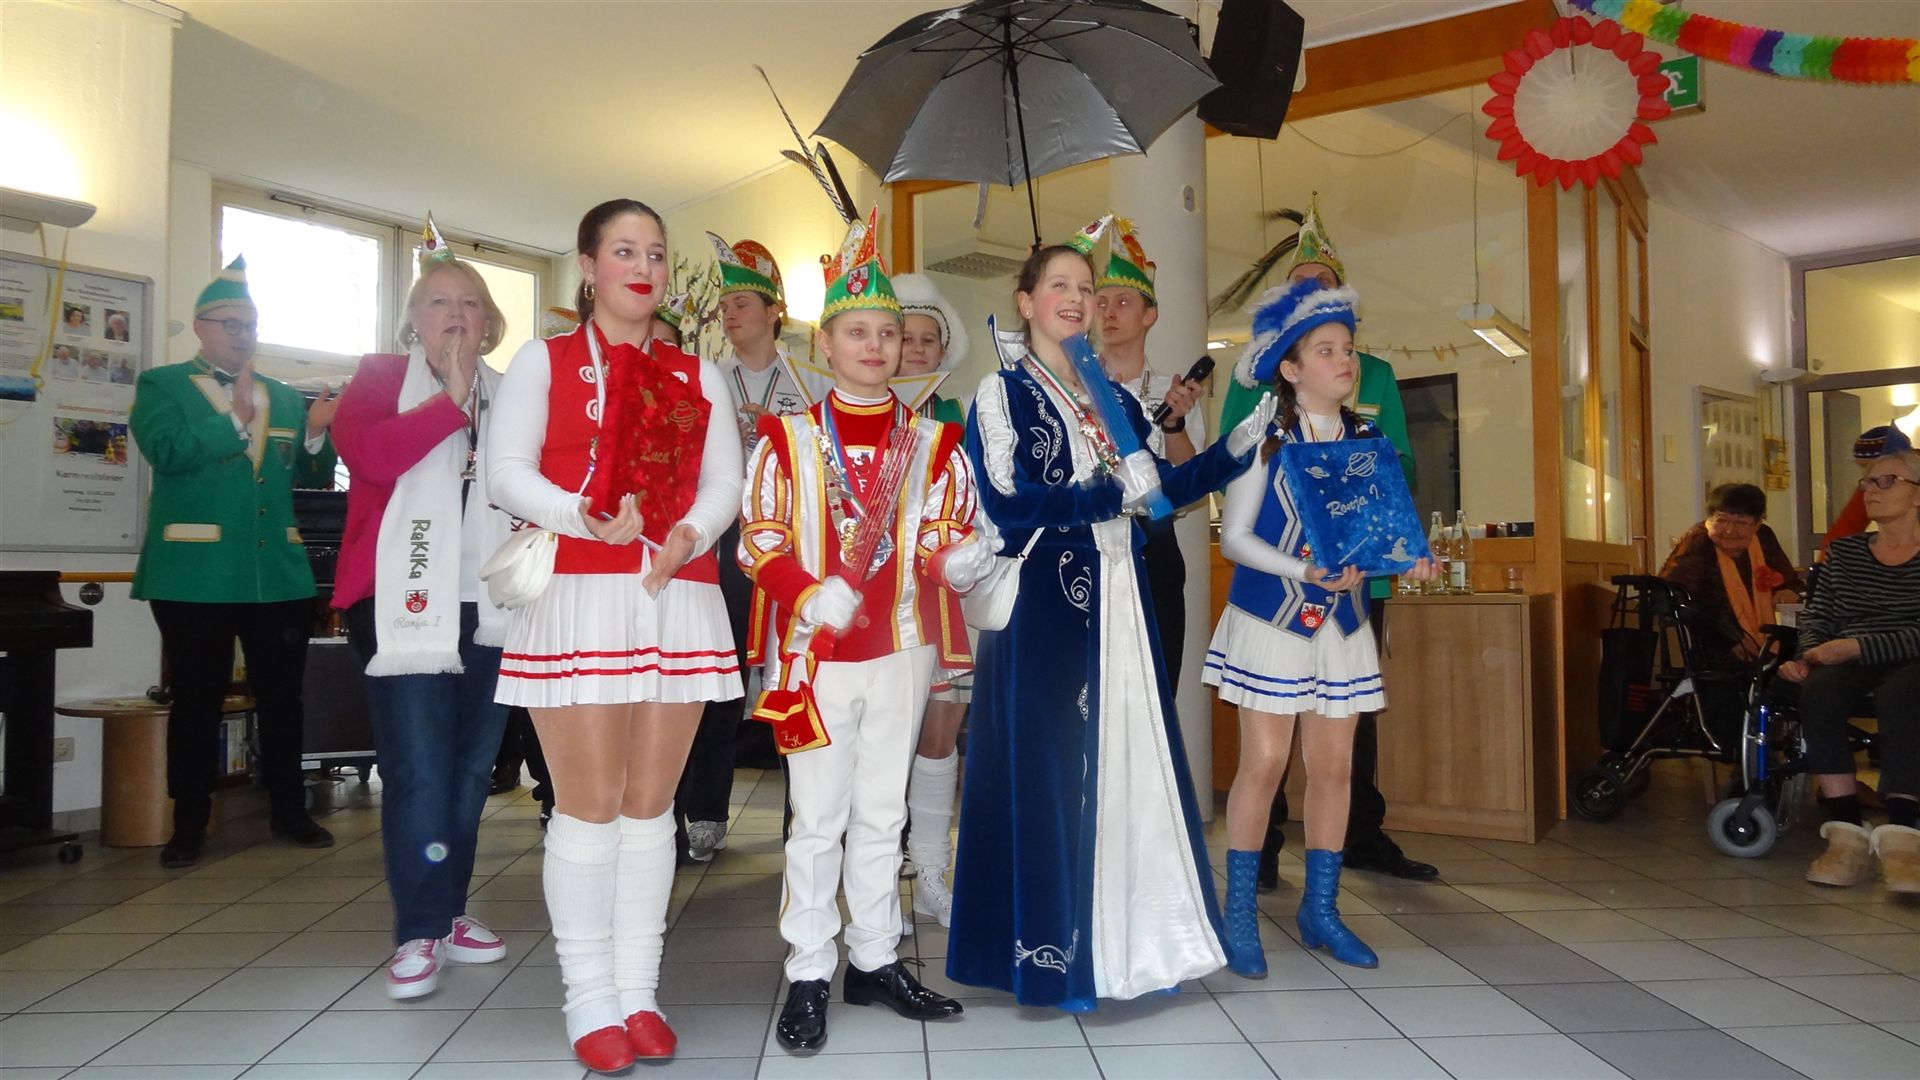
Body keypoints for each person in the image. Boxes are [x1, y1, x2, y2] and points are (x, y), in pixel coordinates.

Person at [945, 222, 1276, 1010]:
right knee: (1053, 773)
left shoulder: (1117, 397)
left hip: (1121, 596)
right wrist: (1102, 494)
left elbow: (1158, 495)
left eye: (1086, 289)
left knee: (1126, 761)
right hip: (1044, 606)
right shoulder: (1003, 393)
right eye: (1058, 285)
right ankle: (1053, 957)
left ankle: (1132, 945)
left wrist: (1230, 452)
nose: (1076, 298)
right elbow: (1006, 502)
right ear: (1026, 302)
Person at [487, 199, 743, 1071]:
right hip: (580, 592)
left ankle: (638, 990)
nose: (643, 267)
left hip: (676, 594)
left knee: (651, 808)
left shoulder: (697, 374)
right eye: (624, 251)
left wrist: (690, 535)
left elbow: (724, 482)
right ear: (590, 267)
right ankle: (589, 997)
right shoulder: (545, 359)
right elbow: (505, 472)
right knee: (590, 807)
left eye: (656, 253)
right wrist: (582, 515)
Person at [742, 230, 985, 1052]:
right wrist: (809, 592)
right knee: (817, 819)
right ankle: (810, 968)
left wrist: (957, 558)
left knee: (883, 813)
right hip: (816, 653)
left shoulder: (935, 443)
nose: (876, 346)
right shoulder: (786, 439)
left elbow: (942, 533)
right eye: (858, 331)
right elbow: (760, 539)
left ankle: (875, 959)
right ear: (826, 344)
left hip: (903, 647)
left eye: (888, 332)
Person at [1206, 278, 1440, 974]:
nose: (1345, 361)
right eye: (1327, 350)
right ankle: (1239, 915)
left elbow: (1384, 533)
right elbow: (1234, 539)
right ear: (1291, 367)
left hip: (1342, 624)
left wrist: (1412, 556)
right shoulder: (1262, 440)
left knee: (1335, 768)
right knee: (1265, 764)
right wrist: (1302, 569)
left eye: (1348, 349)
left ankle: (1322, 909)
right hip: (1273, 619)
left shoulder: (1370, 441)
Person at [330, 239, 516, 999]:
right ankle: (419, 926)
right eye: (440, 301)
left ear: (491, 322)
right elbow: (371, 457)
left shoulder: (511, 392)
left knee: (471, 771)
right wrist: (449, 399)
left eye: (471, 302)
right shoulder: (378, 379)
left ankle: (447, 909)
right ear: (413, 320)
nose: (457, 315)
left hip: (490, 604)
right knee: (419, 767)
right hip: (397, 604)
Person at [129, 255, 339, 868]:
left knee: (284, 700)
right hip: (193, 575)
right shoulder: (161, 385)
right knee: (197, 700)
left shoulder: (285, 396)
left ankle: (290, 810)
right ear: (200, 327)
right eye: (230, 324)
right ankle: (188, 823)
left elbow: (310, 477)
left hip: (277, 576)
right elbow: (166, 452)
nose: (242, 334)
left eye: (249, 324)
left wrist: (316, 435)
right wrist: (234, 421)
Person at [678, 233, 807, 862]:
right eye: (725, 305)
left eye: (743, 304)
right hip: (724, 539)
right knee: (718, 671)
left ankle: (803, 817)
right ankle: (704, 810)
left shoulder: (807, 380)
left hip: (793, 540)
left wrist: (775, 433)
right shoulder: (705, 379)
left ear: (774, 310)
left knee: (796, 672)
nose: (729, 315)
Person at [1785, 424, 1920, 894]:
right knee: (1819, 690)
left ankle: (1903, 837)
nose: (1871, 490)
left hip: (1909, 656)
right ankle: (1845, 835)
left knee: (1904, 693)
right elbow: (1819, 614)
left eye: (1886, 481)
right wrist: (1806, 655)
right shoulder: (1845, 551)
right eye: (1866, 482)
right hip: (1847, 653)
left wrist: (1859, 647)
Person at [892, 271, 974, 925]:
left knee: (940, 734)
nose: (917, 350)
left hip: (942, 598)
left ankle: (930, 873)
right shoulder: (849, 413)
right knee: (875, 739)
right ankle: (870, 880)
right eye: (907, 338)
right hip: (873, 603)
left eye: (928, 340)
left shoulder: (961, 416)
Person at [1095, 217, 1206, 690]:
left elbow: (1192, 485)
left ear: (1150, 315)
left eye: (1123, 302)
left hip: (1154, 541)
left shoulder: (1171, 390)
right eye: (1101, 303)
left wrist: (1174, 424)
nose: (1109, 313)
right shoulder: (1074, 389)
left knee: (1156, 688)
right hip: (1091, 538)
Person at [1659, 482, 1804, 670]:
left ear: (1757, 524)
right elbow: (1670, 595)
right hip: (1711, 642)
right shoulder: (1698, 542)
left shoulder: (1764, 537)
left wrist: (1789, 590)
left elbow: (1788, 579)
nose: (1729, 530)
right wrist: (1730, 639)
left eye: (1740, 523)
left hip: (1763, 638)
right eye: (1721, 521)